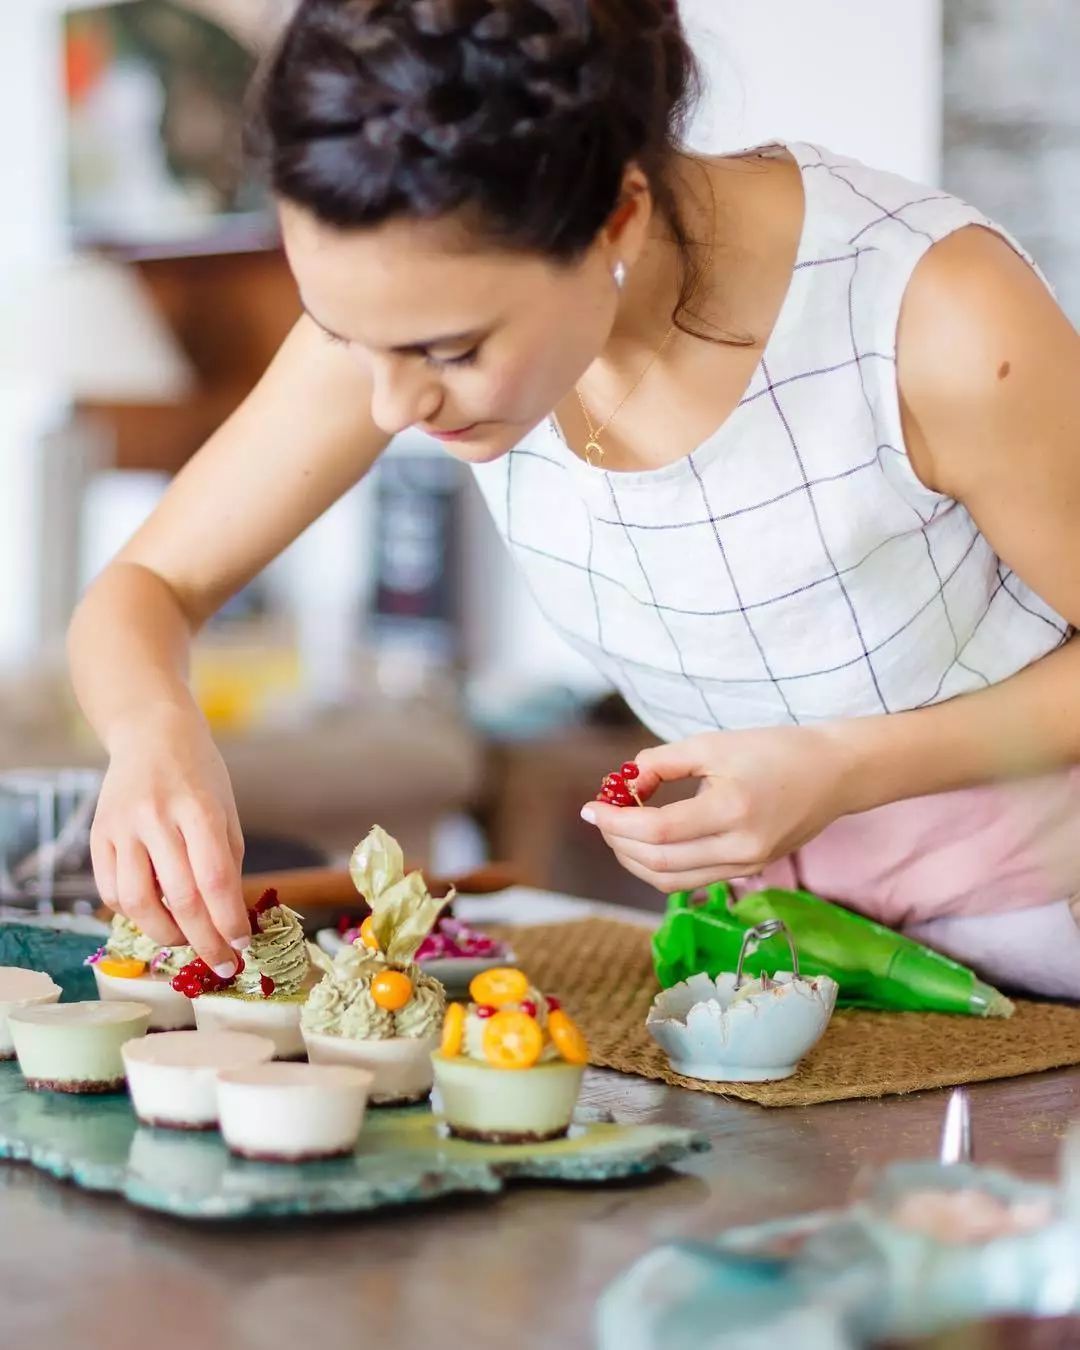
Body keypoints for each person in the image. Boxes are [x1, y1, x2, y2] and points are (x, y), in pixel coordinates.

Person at [68, 0, 1080, 998]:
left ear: (617, 217)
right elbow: (149, 583)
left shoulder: (931, 317)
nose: (394, 404)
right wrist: (155, 736)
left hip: (1048, 929)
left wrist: (842, 769)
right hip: (794, 959)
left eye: (455, 352)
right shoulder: (406, 302)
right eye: (343, 335)